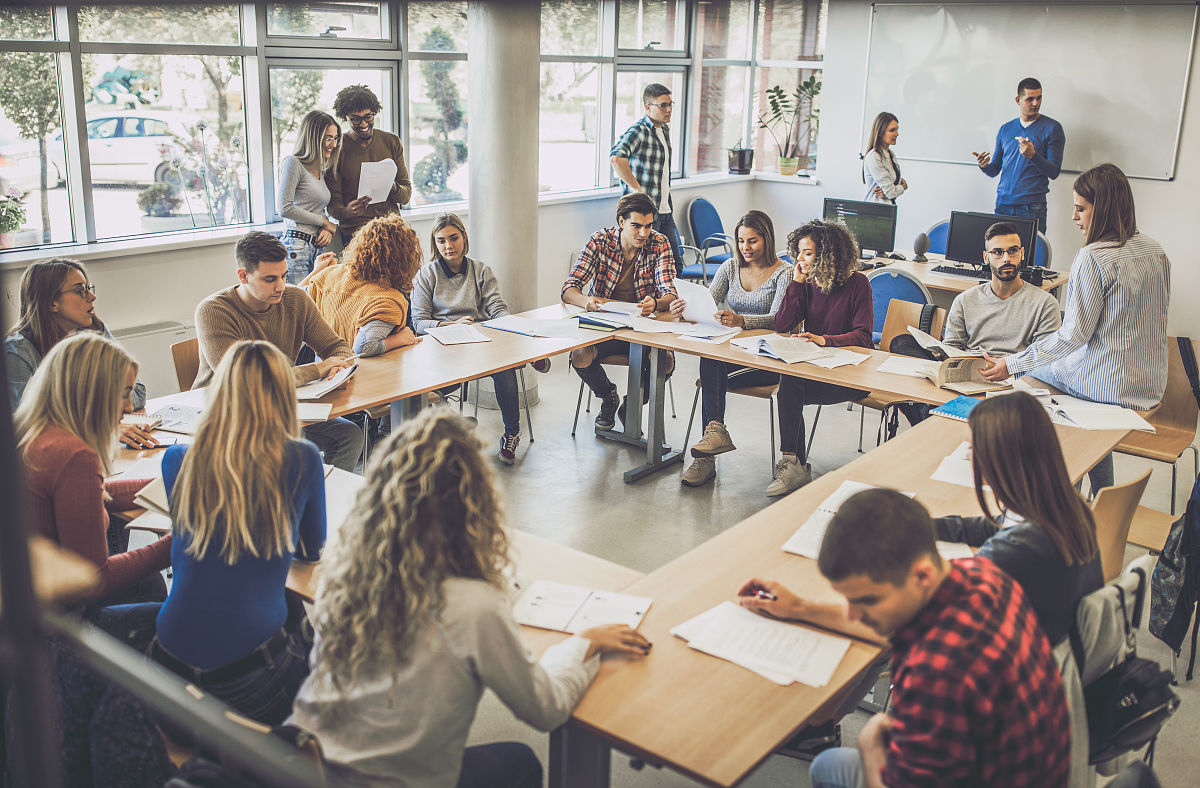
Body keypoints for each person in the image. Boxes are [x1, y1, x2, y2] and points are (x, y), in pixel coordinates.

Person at [290, 409, 650, 788]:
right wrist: (584, 643)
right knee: (521, 761)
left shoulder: (345, 569)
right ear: (472, 502)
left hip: (303, 765)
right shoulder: (471, 606)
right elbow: (545, 709)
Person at [740, 489, 1071, 788]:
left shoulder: (935, 673)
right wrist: (799, 607)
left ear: (922, 575)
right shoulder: (983, 575)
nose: (853, 614)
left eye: (867, 600)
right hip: (1035, 769)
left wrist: (870, 746)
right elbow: (884, 626)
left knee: (828, 766)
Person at [149, 340, 326, 726]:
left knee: (287, 610)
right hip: (248, 679)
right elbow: (312, 552)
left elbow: (195, 540)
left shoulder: (177, 458)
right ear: (283, 394)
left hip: (167, 663)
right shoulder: (300, 459)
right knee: (328, 659)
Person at [981, 163, 1170, 493]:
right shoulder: (1155, 250)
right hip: (1148, 385)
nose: (1074, 217)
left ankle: (1059, 487)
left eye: (1081, 208)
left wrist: (1012, 363)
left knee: (1026, 377)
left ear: (1104, 209)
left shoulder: (1093, 256)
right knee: (1047, 367)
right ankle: (1097, 496)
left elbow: (1074, 335)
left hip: (1107, 386)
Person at [15, 332, 171, 611]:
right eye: (124, 393)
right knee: (163, 596)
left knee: (152, 585)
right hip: (59, 619)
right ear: (92, 391)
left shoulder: (33, 432)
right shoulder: (73, 456)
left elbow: (89, 493)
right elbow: (95, 577)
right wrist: (181, 543)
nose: (128, 407)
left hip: (24, 599)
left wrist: (170, 482)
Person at [935, 391, 1102, 644]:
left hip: (1020, 668)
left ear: (997, 459)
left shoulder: (1013, 551)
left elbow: (946, 602)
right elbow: (995, 527)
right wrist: (919, 527)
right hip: (1059, 647)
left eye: (972, 449)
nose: (969, 457)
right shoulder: (1065, 506)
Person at [193, 231, 363, 472]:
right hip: (228, 414)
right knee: (280, 452)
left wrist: (340, 369)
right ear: (243, 276)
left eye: (283, 276)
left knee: (349, 434)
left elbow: (337, 347)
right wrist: (316, 369)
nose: (281, 286)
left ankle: (320, 503)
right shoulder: (213, 311)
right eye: (270, 279)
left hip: (280, 404)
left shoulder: (295, 298)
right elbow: (243, 381)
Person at [410, 212, 551, 465]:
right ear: (435, 243)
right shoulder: (426, 275)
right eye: (441, 240)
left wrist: (506, 324)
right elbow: (418, 323)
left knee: (504, 365)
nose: (448, 246)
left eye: (454, 238)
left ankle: (511, 433)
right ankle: (527, 356)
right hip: (443, 347)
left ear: (464, 238)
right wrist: (450, 325)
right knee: (431, 388)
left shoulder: (481, 270)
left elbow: (497, 308)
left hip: (480, 341)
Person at [889, 221, 1061, 424]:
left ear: (1022, 253)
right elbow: (954, 346)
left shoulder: (1045, 303)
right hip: (968, 372)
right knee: (901, 343)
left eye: (1012, 251)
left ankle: (927, 414)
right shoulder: (966, 299)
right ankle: (928, 412)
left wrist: (1008, 366)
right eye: (997, 252)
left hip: (1012, 379)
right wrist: (943, 353)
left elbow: (1045, 359)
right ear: (986, 257)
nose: (1006, 258)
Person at [680, 210, 793, 487]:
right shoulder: (730, 267)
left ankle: (707, 455)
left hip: (769, 359)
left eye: (752, 241)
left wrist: (743, 320)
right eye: (741, 241)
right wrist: (685, 308)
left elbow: (781, 320)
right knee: (711, 358)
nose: (746, 248)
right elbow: (707, 301)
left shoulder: (784, 272)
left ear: (766, 239)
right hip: (736, 353)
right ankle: (713, 438)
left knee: (711, 377)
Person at [6, 257, 158, 449]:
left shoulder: (94, 330)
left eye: (88, 288)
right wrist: (102, 426)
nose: (91, 297)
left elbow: (136, 392)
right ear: (52, 302)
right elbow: (27, 422)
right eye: (79, 290)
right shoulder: (16, 352)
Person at [767, 220, 872, 496]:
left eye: (807, 253)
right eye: (798, 252)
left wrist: (825, 340)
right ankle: (792, 463)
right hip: (814, 369)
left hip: (848, 375)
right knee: (789, 382)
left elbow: (863, 336)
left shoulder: (858, 284)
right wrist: (797, 283)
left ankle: (793, 465)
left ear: (828, 255)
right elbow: (783, 324)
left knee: (790, 387)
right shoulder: (807, 283)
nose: (799, 259)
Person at [562, 192, 680, 431]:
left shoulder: (659, 243)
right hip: (604, 326)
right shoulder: (599, 241)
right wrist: (586, 301)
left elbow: (670, 291)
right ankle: (608, 397)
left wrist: (656, 303)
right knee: (580, 356)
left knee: (665, 362)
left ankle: (633, 404)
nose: (643, 233)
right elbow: (569, 289)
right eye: (636, 226)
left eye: (648, 226)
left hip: (643, 328)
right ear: (621, 222)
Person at [304, 213, 423, 357]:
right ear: (405, 258)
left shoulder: (328, 274)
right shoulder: (388, 301)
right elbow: (364, 346)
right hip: (356, 373)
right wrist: (400, 339)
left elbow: (293, 295)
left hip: (325, 370)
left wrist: (316, 271)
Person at [973, 77, 1066, 236]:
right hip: (1003, 204)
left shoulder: (1052, 128)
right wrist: (984, 166)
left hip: (1032, 206)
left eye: (1039, 97)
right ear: (1018, 100)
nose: (1036, 103)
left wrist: (1033, 155)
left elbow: (1054, 171)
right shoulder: (1006, 129)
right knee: (999, 254)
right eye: (1030, 99)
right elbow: (995, 169)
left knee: (1030, 256)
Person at [325, 84, 412, 245]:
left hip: (392, 229)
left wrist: (393, 187)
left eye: (368, 117)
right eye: (356, 119)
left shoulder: (391, 141)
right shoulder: (337, 148)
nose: (364, 124)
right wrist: (348, 211)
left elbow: (406, 196)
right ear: (345, 117)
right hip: (356, 234)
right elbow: (333, 207)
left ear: (374, 113)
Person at [610, 82, 681, 272]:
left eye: (670, 104)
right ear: (648, 107)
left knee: (675, 266)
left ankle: (670, 303)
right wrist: (637, 190)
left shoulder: (663, 130)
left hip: (665, 210)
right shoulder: (639, 131)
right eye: (663, 105)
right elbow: (616, 158)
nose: (668, 110)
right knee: (645, 269)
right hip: (645, 214)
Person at [277, 110, 340, 284]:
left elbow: (316, 208)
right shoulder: (293, 163)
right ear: (313, 138)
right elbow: (284, 207)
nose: (333, 144)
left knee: (315, 305)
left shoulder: (319, 170)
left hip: (317, 246)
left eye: (335, 138)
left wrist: (326, 228)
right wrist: (324, 222)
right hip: (297, 246)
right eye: (328, 138)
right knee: (298, 303)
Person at [862, 112, 906, 204]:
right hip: (875, 210)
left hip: (889, 209)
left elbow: (894, 186)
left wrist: (891, 191)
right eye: (892, 130)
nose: (897, 134)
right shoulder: (874, 157)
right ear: (880, 133)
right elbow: (891, 192)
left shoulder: (891, 154)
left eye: (897, 129)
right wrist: (903, 187)